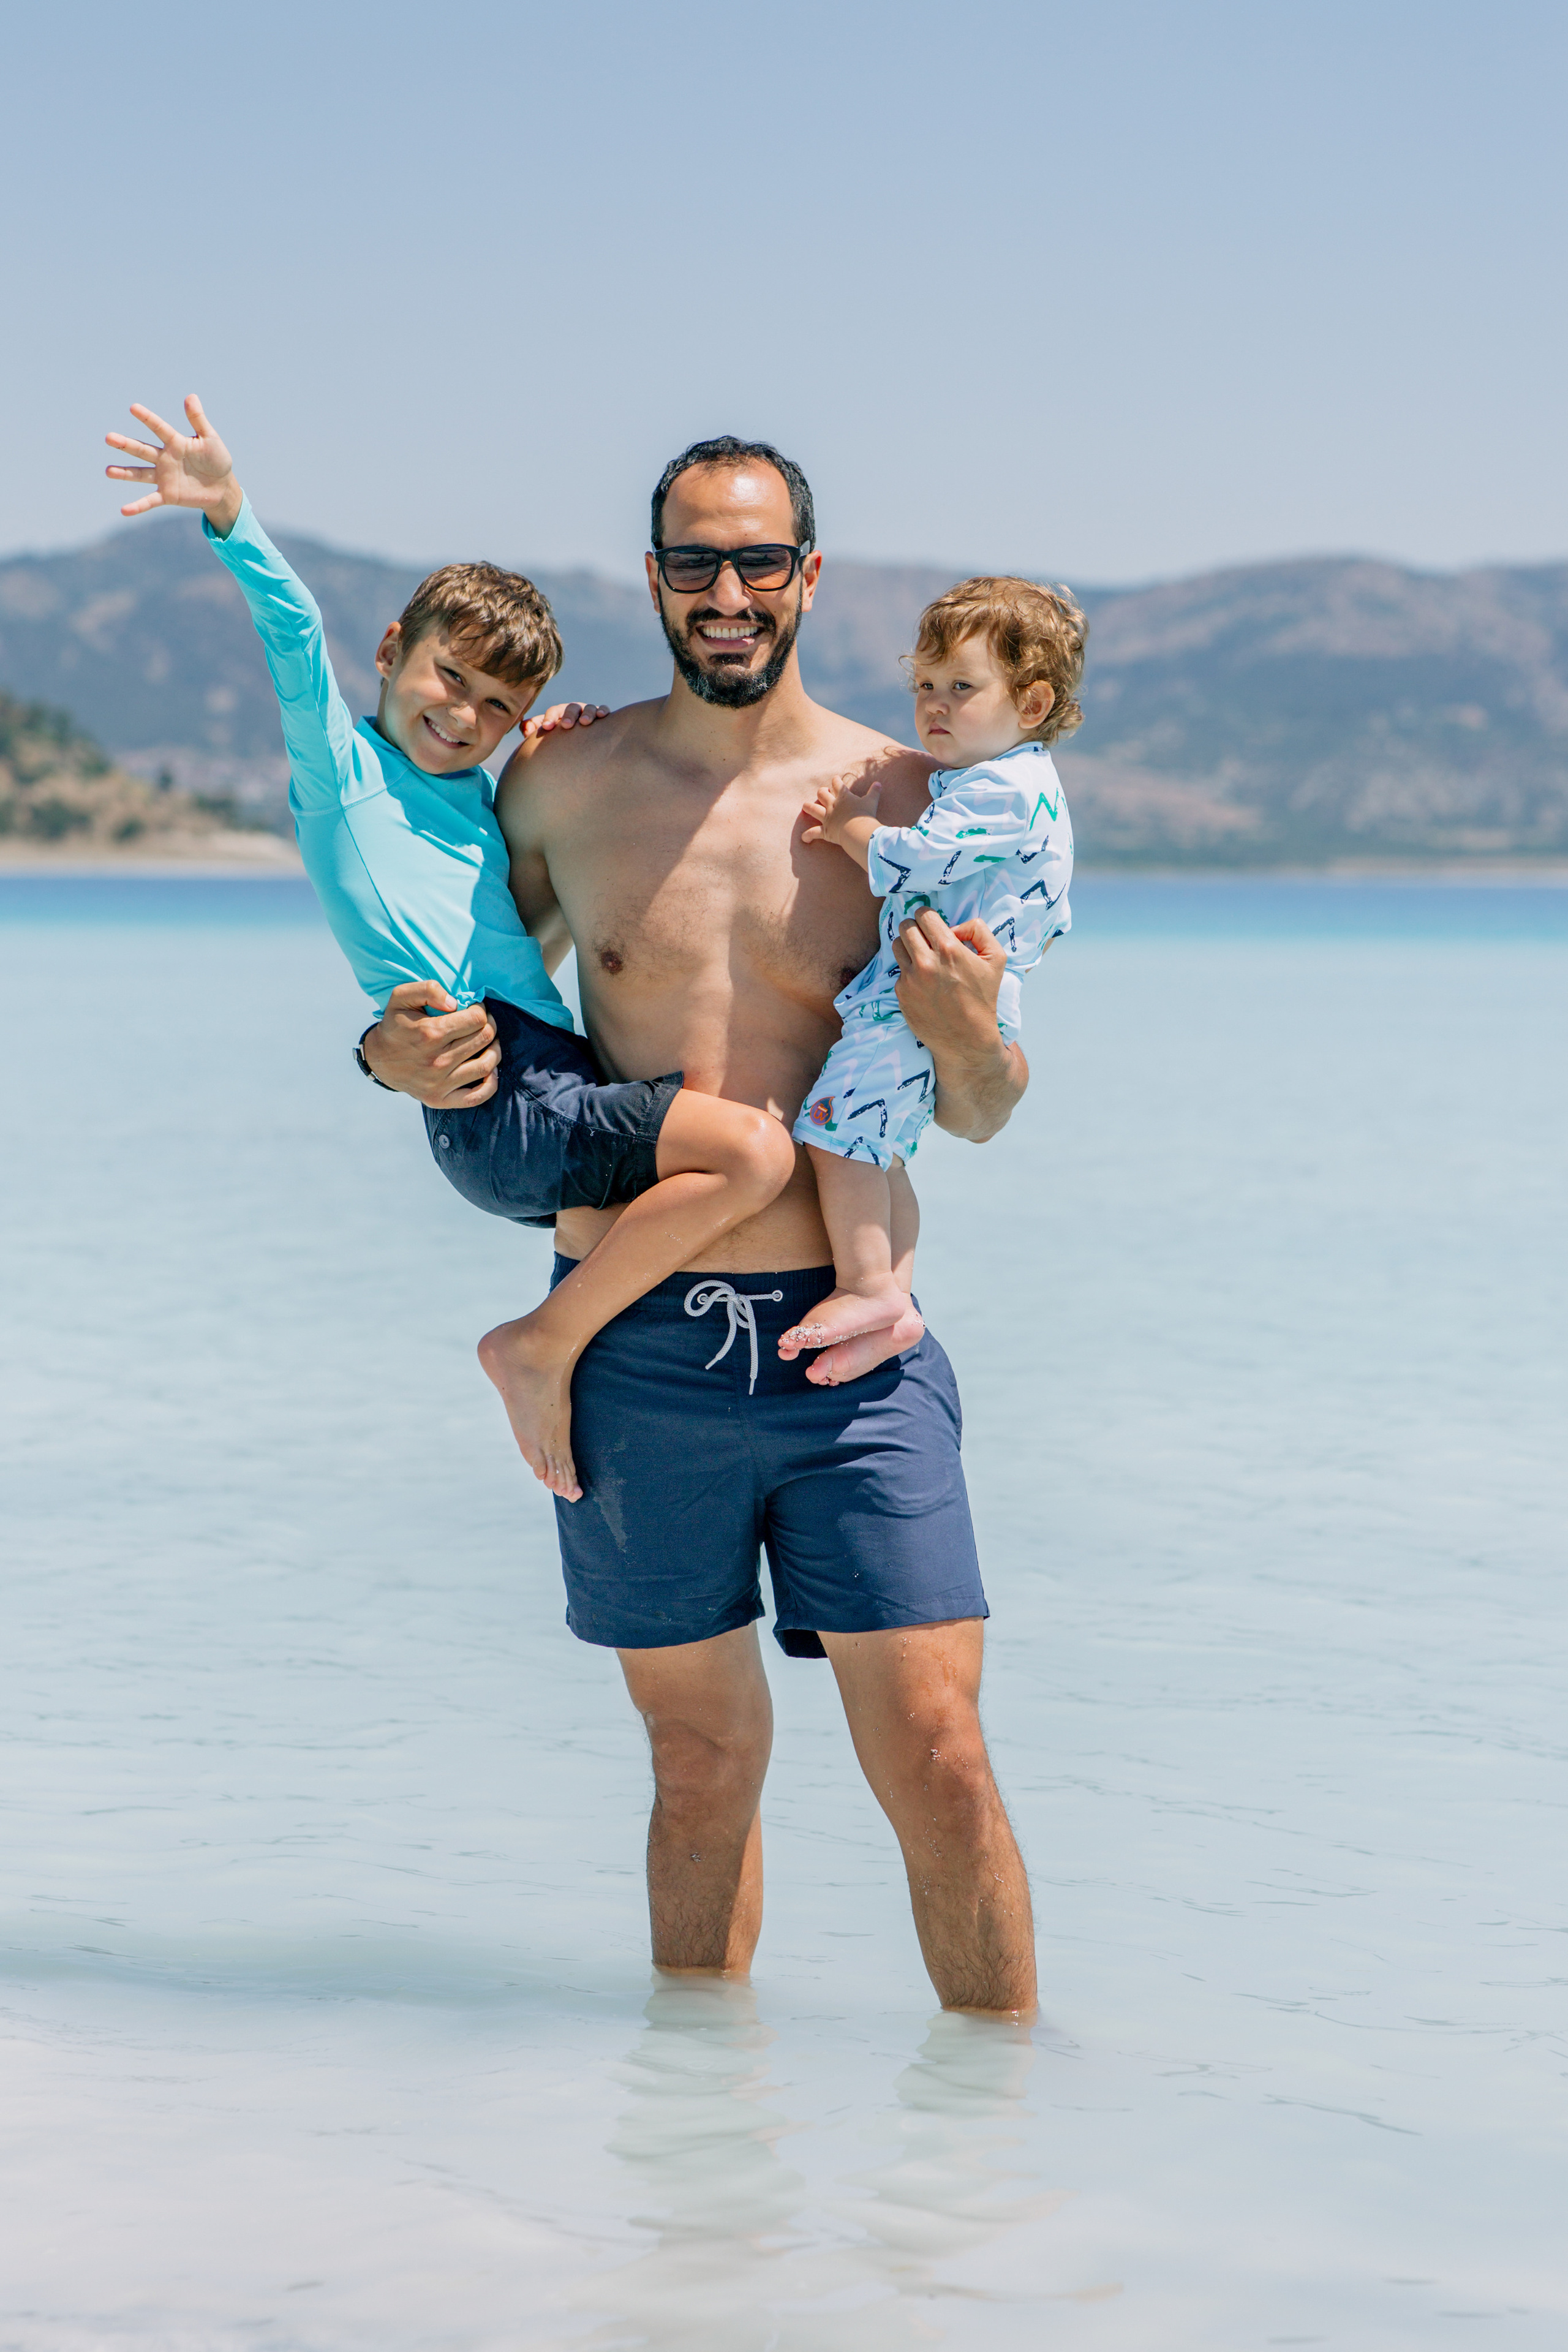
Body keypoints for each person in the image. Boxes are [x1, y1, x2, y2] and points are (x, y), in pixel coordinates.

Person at [365, 436, 1041, 2014]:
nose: (725, 593)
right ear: (653, 578)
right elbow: (445, 979)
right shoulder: (557, 785)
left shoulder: (910, 805)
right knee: (696, 1761)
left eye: (756, 562)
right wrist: (389, 1057)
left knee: (938, 1756)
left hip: (848, 1352)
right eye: (692, 562)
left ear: (807, 575)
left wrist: (968, 1032)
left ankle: (995, 2177)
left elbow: (987, 1107)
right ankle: (695, 2202)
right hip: (632, 1349)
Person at [104, 397, 797, 1502]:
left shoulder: (481, 801)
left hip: (535, 1082)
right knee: (755, 1154)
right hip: (498, 1093)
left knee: (698, 1176)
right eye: (446, 680)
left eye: (497, 704)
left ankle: (610, 1400)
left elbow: (529, 932)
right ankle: (534, 1347)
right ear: (392, 652)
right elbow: (290, 633)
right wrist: (230, 511)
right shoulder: (340, 768)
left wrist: (553, 747)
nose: (464, 716)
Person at [778, 578, 1080, 1378]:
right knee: (883, 1152)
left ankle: (867, 1286)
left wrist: (852, 830)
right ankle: (892, 1306)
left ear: (1034, 699)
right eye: (924, 686)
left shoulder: (1000, 790)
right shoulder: (1008, 783)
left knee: (831, 1128)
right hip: (944, 982)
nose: (935, 705)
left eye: (962, 688)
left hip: (925, 991)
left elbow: (920, 855)